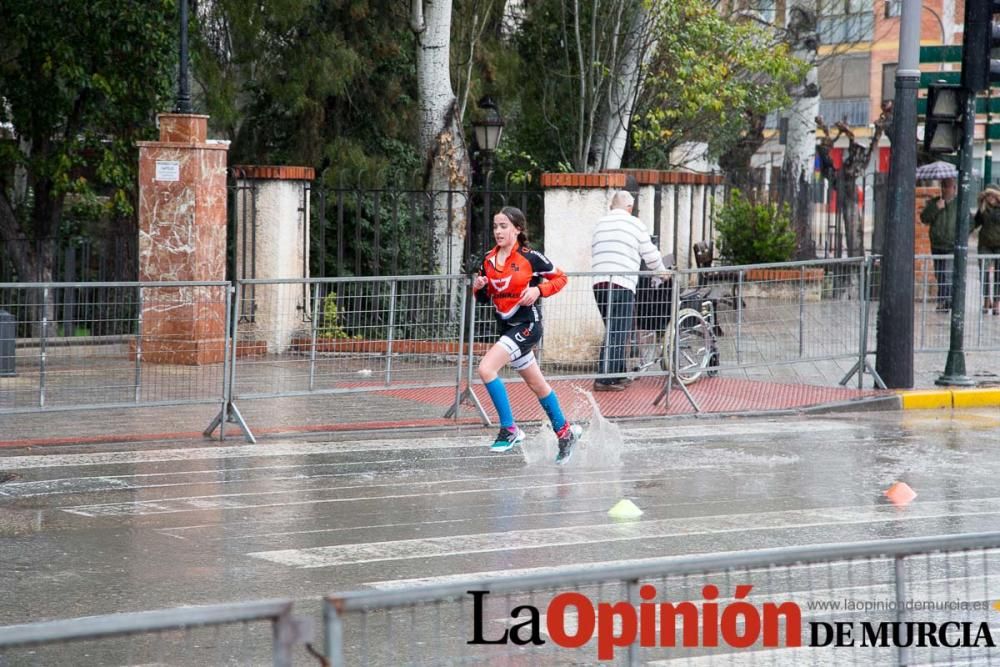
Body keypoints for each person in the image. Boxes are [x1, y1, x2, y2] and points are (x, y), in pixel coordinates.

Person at [472, 206, 582, 464]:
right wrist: (478, 288)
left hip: (528, 326)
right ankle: (565, 432)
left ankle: (510, 430)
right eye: (496, 226)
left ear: (517, 229)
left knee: (486, 369)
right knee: (537, 384)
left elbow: (561, 278)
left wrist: (539, 291)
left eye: (504, 226)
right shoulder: (488, 260)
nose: (498, 231)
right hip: (507, 327)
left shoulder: (530, 257)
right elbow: (482, 297)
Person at [590, 190, 667, 391]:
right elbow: (650, 255)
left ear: (611, 206)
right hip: (622, 282)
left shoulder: (600, 224)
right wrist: (662, 272)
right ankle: (604, 379)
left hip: (598, 282)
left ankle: (619, 373)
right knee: (619, 329)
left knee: (615, 328)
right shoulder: (635, 224)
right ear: (630, 208)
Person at [919, 176, 957, 311]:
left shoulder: (958, 204)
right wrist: (936, 208)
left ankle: (947, 302)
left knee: (947, 274)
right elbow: (924, 218)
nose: (945, 189)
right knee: (940, 274)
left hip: (951, 246)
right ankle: (943, 300)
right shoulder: (935, 202)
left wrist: (959, 237)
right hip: (936, 245)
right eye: (943, 186)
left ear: (954, 188)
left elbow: (969, 223)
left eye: (948, 186)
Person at [974, 183, 1000, 315]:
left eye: (992, 195)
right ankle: (986, 300)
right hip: (985, 244)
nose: (990, 197)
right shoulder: (983, 208)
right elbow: (975, 222)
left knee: (999, 275)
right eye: (988, 194)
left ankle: (996, 302)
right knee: (984, 272)